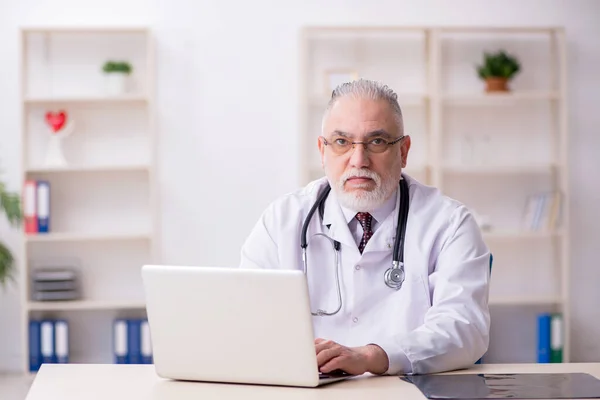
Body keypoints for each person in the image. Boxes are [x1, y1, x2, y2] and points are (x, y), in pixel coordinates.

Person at [239, 79, 491, 376]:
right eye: (342, 142)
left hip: (409, 391)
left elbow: (465, 328)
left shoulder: (449, 224)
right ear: (323, 150)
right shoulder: (282, 220)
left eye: (377, 142)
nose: (358, 160)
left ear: (404, 151)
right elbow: (249, 320)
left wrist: (374, 356)